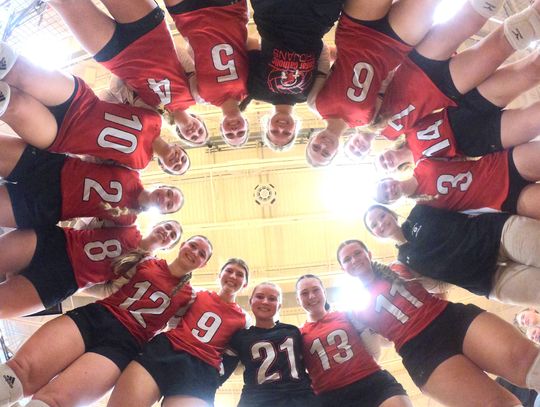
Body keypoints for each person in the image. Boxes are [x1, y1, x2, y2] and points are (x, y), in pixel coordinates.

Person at [0, 235, 213, 407]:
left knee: (55, 401)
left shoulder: (191, 298)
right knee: (20, 371)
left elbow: (182, 335)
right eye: (193, 246)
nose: (194, 253)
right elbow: (101, 280)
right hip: (96, 317)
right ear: (183, 244)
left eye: (201, 253)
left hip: (123, 345)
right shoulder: (146, 261)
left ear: (203, 264)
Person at [336, 239, 540, 406]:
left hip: (449, 319)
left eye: (357, 253)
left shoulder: (399, 267)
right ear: (343, 268)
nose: (354, 260)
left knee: (526, 360)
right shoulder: (354, 313)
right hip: (421, 352)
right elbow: (376, 349)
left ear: (368, 254)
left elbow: (440, 283)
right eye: (347, 259)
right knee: (495, 404)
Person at [345, 0, 540, 161]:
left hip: (418, 64)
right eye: (359, 152)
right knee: (504, 44)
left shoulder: (358, 111)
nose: (358, 147)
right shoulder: (396, 135)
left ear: (349, 138)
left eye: (352, 147)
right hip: (444, 89)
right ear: (369, 151)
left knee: (473, 15)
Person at [306, 0, 494, 166]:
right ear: (336, 152)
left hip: (355, 31)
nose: (323, 145)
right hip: (393, 45)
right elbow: (384, 84)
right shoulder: (369, 122)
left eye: (315, 147)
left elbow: (322, 60)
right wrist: (392, 61)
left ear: (311, 138)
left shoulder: (314, 103)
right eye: (325, 153)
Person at [0, 44, 190, 174]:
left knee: (13, 104)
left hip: (63, 136)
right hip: (80, 102)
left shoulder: (137, 166)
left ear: (163, 166)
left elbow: (94, 167)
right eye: (183, 159)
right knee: (19, 71)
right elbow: (125, 82)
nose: (178, 161)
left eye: (176, 167)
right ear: (179, 146)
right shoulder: (154, 115)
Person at [48, 0, 208, 146]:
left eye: (192, 137)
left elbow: (118, 90)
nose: (194, 132)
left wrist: (126, 74)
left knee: (64, 3)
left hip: (115, 55)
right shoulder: (194, 94)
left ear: (181, 136)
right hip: (149, 32)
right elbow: (182, 53)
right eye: (200, 131)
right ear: (199, 120)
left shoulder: (152, 117)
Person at [107, 258, 250, 407]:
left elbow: (233, 354)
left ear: (245, 284)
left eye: (239, 274)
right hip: (165, 351)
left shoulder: (244, 319)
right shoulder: (196, 295)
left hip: (201, 369)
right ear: (219, 276)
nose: (233, 276)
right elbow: (173, 320)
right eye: (229, 271)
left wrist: (217, 378)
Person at [374, 51, 540, 171]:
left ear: (385, 149)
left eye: (381, 158)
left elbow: (423, 103)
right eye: (386, 165)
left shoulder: (405, 130)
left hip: (463, 111)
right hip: (476, 140)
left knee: (530, 70)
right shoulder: (422, 170)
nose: (386, 160)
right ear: (394, 171)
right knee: (534, 119)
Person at [364, 204, 540, 306]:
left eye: (382, 215)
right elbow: (438, 286)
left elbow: (460, 201)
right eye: (374, 224)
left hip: (497, 235)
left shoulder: (420, 211)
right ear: (375, 234)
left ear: (392, 214)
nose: (381, 223)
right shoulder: (404, 262)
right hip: (489, 280)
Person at [0, 220, 182, 319]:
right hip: (57, 245)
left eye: (172, 235)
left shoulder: (144, 269)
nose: (167, 232)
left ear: (169, 247)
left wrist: (81, 284)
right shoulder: (126, 225)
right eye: (167, 226)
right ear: (156, 224)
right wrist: (76, 236)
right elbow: (91, 221)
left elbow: (109, 290)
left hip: (64, 279)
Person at [0, 135, 183, 228]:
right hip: (53, 168)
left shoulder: (127, 221)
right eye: (169, 193)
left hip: (49, 206)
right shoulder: (132, 170)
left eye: (169, 204)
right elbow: (96, 153)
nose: (165, 199)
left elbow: (90, 232)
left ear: (162, 212)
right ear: (162, 185)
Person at [241, 0, 344, 151]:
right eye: (287, 133)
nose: (281, 128)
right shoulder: (311, 96)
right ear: (295, 128)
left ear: (267, 124)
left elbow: (252, 46)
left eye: (274, 131)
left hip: (272, 14)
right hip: (316, 19)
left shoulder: (256, 90)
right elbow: (324, 62)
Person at [296, 274, 411, 407]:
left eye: (316, 290)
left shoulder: (348, 315)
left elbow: (385, 339)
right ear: (298, 300)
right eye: (304, 293)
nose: (311, 296)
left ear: (324, 292)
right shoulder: (297, 335)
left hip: (372, 382)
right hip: (331, 398)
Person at [374, 141, 540, 221]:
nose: (389, 190)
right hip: (506, 199)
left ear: (388, 178)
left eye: (385, 187)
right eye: (387, 196)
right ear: (393, 202)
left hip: (501, 165)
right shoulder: (424, 209)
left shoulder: (423, 162)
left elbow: (460, 148)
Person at [165, 0, 250, 147]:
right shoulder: (252, 87)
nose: (234, 130)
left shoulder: (200, 95)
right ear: (246, 123)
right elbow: (254, 44)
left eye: (229, 134)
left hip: (188, 16)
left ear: (221, 127)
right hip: (228, 8)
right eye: (241, 132)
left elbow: (189, 57)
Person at [221, 282, 318, 407]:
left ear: (279, 306)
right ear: (250, 301)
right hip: (256, 400)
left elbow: (313, 365)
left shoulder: (293, 331)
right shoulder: (240, 337)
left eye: (272, 299)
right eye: (260, 297)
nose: (265, 302)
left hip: (299, 398)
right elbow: (222, 371)